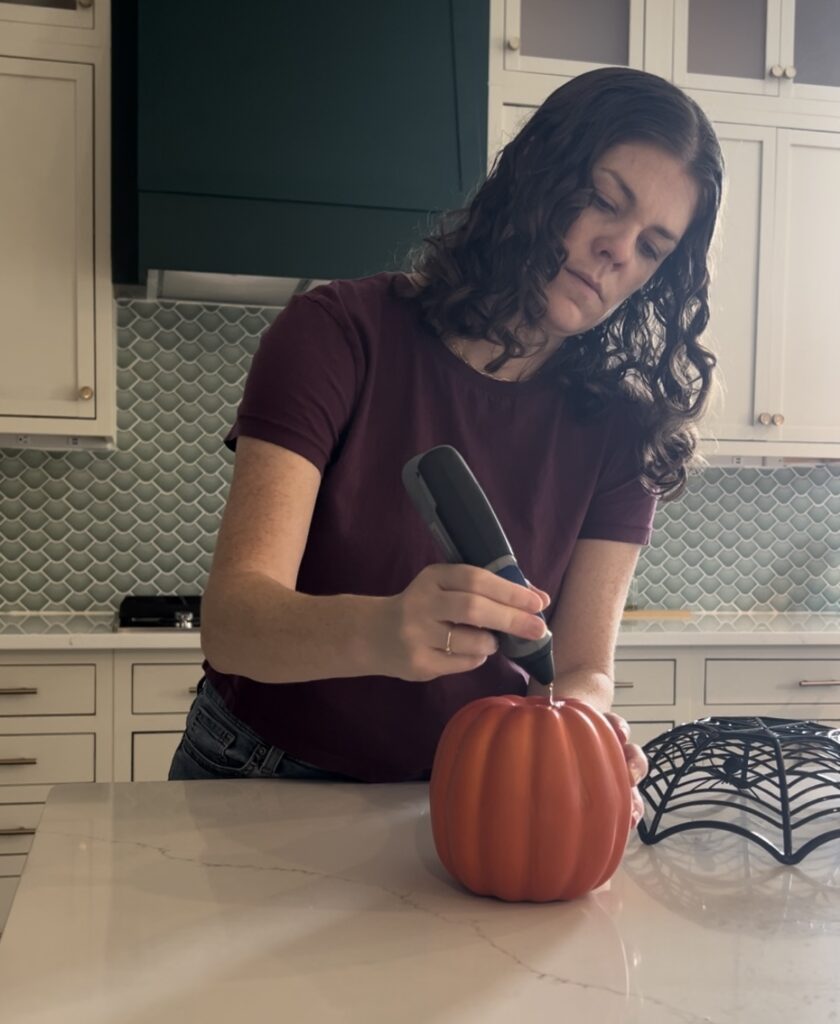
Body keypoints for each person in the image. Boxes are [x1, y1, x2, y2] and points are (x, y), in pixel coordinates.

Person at [169, 67, 724, 828]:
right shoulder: (337, 335)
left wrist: (586, 723)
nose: (615, 252)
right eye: (603, 200)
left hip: (461, 794)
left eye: (653, 247)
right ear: (538, 177)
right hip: (256, 771)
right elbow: (234, 623)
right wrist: (381, 631)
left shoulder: (625, 433)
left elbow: (586, 665)